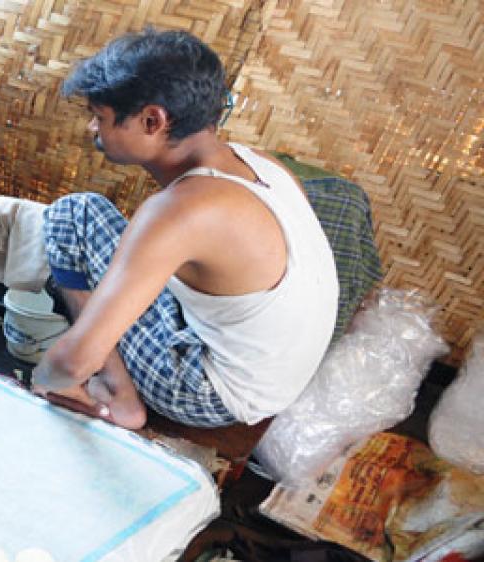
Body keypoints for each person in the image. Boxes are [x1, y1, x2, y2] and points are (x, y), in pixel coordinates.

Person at [31, 28, 339, 430]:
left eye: (100, 117)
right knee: (90, 222)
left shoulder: (180, 210)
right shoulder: (259, 163)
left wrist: (40, 382)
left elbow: (72, 361)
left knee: (70, 217)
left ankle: (120, 396)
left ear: (151, 120)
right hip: (277, 378)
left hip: (210, 395)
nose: (92, 130)